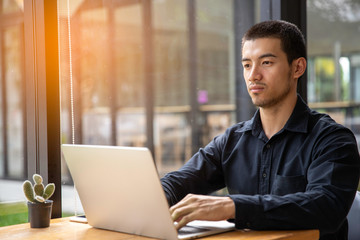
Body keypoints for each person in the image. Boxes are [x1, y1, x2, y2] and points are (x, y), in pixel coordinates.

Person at [160, 20, 360, 240]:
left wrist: (233, 206)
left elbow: (326, 206)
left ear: (297, 68)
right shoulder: (232, 140)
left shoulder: (333, 140)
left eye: (266, 62)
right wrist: (155, 197)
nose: (253, 75)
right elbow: (179, 182)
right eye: (247, 65)